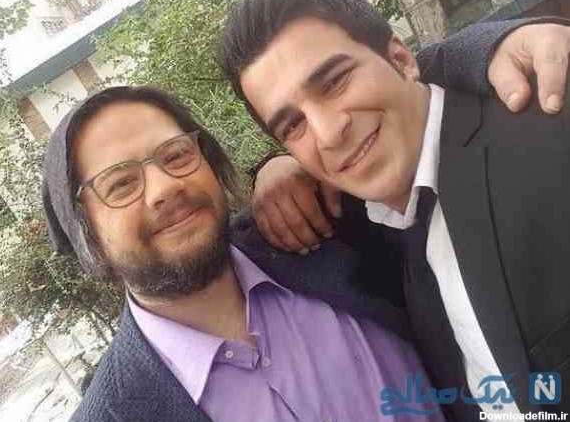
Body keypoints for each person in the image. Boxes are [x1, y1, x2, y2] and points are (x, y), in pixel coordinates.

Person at [218, 0, 570, 420]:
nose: (328, 133)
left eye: (334, 82)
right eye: (293, 125)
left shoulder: (548, 124)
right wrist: (271, 170)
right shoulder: (366, 223)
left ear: (401, 58)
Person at [43, 85, 449, 422]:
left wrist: (290, 165)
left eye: (177, 155)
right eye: (121, 185)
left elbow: (416, 91)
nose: (165, 186)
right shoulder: (111, 413)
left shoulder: (320, 225)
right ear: (88, 237)